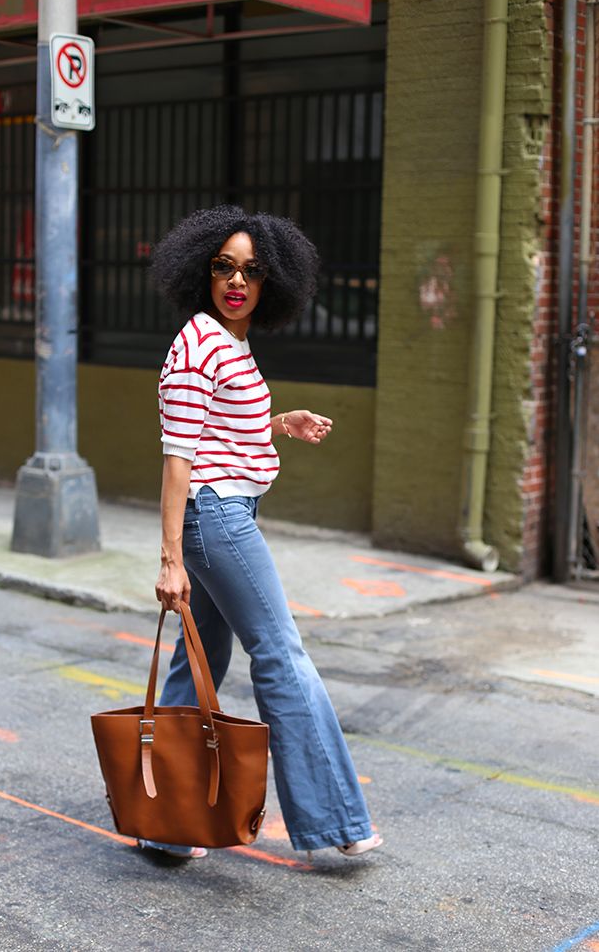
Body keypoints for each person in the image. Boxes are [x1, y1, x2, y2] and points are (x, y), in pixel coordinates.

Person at [142, 206, 382, 861]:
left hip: (226, 511)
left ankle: (167, 820)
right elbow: (179, 458)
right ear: (202, 270)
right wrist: (170, 560)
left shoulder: (231, 340)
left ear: (273, 280)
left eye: (252, 269)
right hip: (213, 516)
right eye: (224, 267)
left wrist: (277, 422)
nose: (237, 280)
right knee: (279, 653)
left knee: (199, 667)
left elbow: (215, 426)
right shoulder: (198, 342)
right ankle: (335, 818)